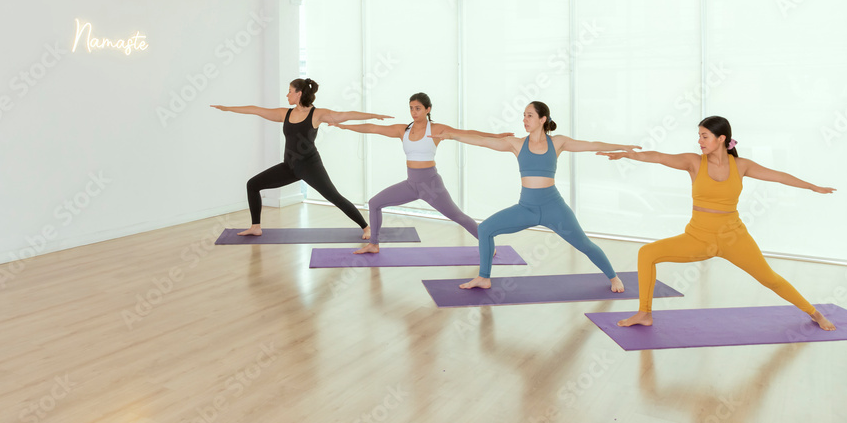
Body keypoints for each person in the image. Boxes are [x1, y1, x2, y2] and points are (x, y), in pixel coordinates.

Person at [602, 115, 836, 331]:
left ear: (721, 138)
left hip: (734, 238)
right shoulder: (694, 162)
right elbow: (659, 157)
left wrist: (811, 186)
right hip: (698, 238)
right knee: (647, 253)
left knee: (770, 279)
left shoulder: (741, 165)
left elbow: (778, 176)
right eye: (699, 136)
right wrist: (628, 154)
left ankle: (814, 313)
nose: (699, 141)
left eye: (704, 136)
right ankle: (644, 313)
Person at [440, 101, 638, 292]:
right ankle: (484, 277)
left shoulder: (557, 142)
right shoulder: (516, 144)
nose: (524, 120)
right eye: (523, 116)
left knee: (584, 244)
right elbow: (483, 142)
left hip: (554, 207)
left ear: (543, 119)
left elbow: (591, 144)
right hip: (526, 208)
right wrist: (451, 136)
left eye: (529, 115)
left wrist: (621, 147)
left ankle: (613, 276)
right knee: (485, 229)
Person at [212, 78, 391, 237]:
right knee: (253, 184)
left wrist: (373, 115)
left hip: (310, 166)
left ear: (299, 93)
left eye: (290, 91)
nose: (287, 94)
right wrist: (228, 109)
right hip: (289, 166)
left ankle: (366, 227)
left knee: (334, 197)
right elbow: (257, 110)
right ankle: (256, 226)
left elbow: (345, 115)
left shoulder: (317, 114)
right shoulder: (286, 113)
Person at [335, 92, 510, 253]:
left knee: (458, 216)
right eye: (411, 108)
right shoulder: (403, 130)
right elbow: (372, 128)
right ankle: (373, 244)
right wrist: (344, 127)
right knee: (374, 203)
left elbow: (466, 133)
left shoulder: (435, 129)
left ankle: (488, 244)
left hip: (431, 184)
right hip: (411, 184)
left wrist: (496, 136)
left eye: (418, 108)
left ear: (428, 109)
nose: (414, 112)